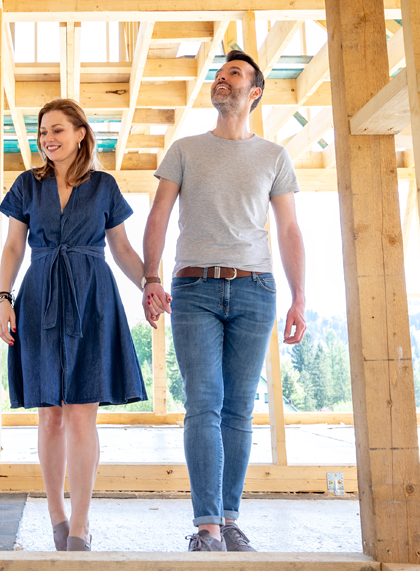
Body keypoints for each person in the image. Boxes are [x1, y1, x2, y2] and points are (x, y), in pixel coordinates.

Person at [142, 50, 307, 552]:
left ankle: (229, 520)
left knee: (238, 409)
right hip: (194, 289)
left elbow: (289, 229)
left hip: (257, 288)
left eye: (233, 74)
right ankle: (208, 527)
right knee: (204, 403)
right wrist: (151, 277)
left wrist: (300, 298)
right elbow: (159, 215)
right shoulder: (186, 149)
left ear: (254, 92)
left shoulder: (274, 156)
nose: (222, 80)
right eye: (218, 75)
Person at [0, 98, 148, 552]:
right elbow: (12, 249)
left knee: (82, 414)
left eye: (57, 130)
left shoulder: (104, 186)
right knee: (50, 416)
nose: (48, 139)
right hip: (39, 294)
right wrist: (3, 298)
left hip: (92, 298)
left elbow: (121, 249)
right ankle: (56, 517)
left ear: (81, 133)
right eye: (43, 132)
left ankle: (80, 527)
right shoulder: (27, 184)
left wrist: (150, 284)